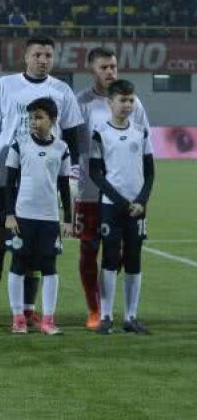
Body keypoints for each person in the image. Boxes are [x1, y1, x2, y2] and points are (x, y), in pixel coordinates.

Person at [0, 35, 82, 326]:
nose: (43, 60)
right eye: (37, 54)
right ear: (26, 57)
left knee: (37, 244)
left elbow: (72, 137)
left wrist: (72, 176)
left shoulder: (62, 91)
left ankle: (29, 308)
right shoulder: (5, 85)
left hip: (44, 178)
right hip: (9, 176)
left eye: (48, 55)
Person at [74, 48, 151, 329]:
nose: (110, 72)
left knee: (118, 251)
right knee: (88, 249)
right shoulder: (80, 102)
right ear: (92, 69)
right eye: (104, 67)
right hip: (88, 190)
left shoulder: (133, 103)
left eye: (114, 67)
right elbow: (75, 146)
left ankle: (117, 310)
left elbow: (142, 143)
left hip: (124, 194)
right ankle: (95, 310)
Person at [89, 79, 155, 335]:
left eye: (131, 100)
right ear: (110, 102)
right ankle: (105, 316)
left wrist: (141, 201)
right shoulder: (100, 132)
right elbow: (95, 173)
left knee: (134, 258)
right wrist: (120, 201)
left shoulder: (141, 131)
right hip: (111, 207)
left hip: (137, 208)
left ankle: (130, 316)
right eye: (122, 100)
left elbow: (150, 173)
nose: (127, 105)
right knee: (110, 258)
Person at [3, 97, 74, 335]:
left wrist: (68, 219)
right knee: (18, 264)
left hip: (49, 218)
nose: (34, 121)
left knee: (49, 267)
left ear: (53, 120)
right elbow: (8, 183)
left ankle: (48, 320)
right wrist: (10, 214)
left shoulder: (62, 149)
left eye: (39, 117)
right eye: (31, 117)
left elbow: (64, 186)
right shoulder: (19, 144)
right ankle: (18, 318)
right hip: (23, 217)